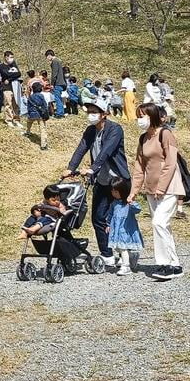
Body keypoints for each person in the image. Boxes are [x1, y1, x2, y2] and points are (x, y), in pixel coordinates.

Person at [64, 99, 129, 263]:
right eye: (89, 111)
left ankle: (125, 252)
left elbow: (106, 151)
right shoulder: (91, 130)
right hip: (101, 180)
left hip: (117, 180)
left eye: (94, 112)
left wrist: (92, 168)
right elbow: (81, 148)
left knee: (118, 218)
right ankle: (107, 254)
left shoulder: (115, 129)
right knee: (98, 218)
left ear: (104, 114)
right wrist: (71, 168)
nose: (91, 115)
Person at [129, 103, 184, 280]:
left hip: (168, 188)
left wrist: (161, 187)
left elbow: (171, 162)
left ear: (152, 116)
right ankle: (175, 265)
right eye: (138, 116)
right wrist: (134, 191)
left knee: (158, 223)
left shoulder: (165, 134)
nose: (140, 120)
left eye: (142, 116)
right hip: (151, 189)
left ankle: (164, 264)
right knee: (163, 226)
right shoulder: (143, 139)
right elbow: (139, 167)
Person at [106, 180, 143, 276]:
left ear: (122, 191)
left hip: (126, 229)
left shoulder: (128, 203)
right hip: (116, 229)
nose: (113, 193)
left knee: (123, 248)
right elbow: (110, 214)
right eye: (112, 191)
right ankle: (132, 256)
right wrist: (108, 224)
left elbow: (138, 209)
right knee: (118, 247)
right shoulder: (114, 203)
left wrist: (132, 203)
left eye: (115, 191)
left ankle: (126, 266)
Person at [25, 79, 50, 151]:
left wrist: (29, 113)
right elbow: (44, 105)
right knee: (42, 129)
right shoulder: (41, 96)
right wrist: (46, 113)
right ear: (40, 89)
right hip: (40, 115)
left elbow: (28, 106)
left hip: (32, 114)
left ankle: (28, 132)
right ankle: (43, 145)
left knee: (29, 122)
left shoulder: (30, 97)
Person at [47, 50, 66, 118]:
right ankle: (62, 112)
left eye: (47, 57)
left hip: (57, 83)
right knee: (59, 99)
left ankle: (59, 114)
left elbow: (54, 74)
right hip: (62, 82)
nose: (47, 59)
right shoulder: (59, 61)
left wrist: (52, 84)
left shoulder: (54, 61)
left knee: (57, 99)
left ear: (49, 55)